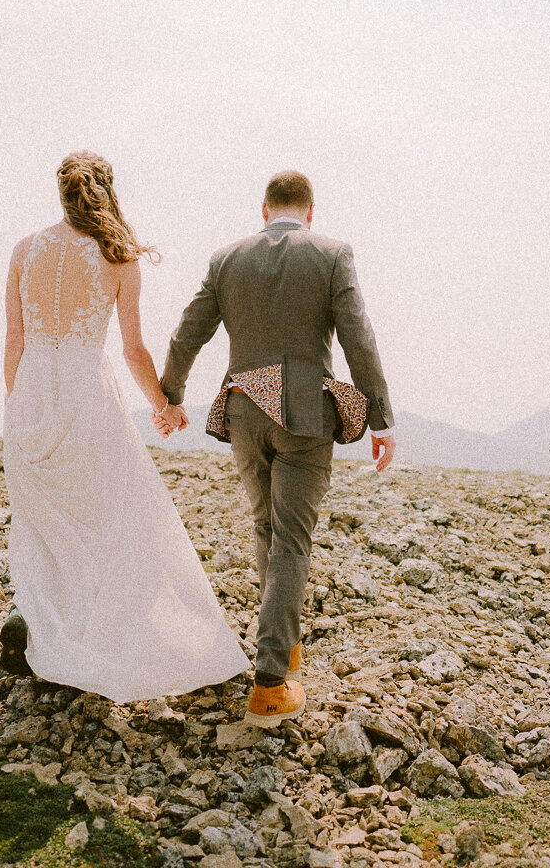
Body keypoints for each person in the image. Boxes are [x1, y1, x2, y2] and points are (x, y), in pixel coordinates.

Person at [0, 151, 249, 702]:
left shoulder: (24, 250)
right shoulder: (118, 258)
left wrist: (18, 406)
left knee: (44, 521)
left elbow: (14, 344)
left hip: (34, 392)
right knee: (107, 517)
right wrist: (165, 403)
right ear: (107, 192)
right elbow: (133, 349)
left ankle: (39, 621)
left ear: (60, 193)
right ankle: (95, 634)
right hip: (89, 393)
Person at [155, 170, 395, 727]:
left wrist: (171, 397)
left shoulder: (225, 259)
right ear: (310, 211)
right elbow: (358, 337)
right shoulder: (332, 253)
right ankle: (269, 684)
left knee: (266, 527)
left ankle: (283, 647)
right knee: (290, 539)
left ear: (264, 210)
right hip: (305, 415)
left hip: (243, 411)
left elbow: (187, 335)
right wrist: (380, 420)